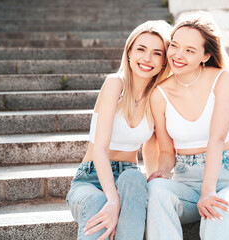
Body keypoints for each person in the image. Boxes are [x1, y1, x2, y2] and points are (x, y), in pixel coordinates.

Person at [146, 12, 229, 240]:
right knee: (156, 190)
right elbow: (167, 151)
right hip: (184, 181)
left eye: (190, 50)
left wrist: (208, 192)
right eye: (174, 46)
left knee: (218, 212)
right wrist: (162, 172)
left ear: (205, 55)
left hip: (225, 178)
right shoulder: (159, 94)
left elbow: (216, 138)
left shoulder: (221, 78)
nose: (178, 55)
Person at [66, 20, 171, 240]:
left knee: (133, 177)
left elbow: (152, 149)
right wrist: (113, 201)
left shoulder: (157, 98)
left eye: (156, 53)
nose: (147, 58)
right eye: (141, 49)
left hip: (129, 180)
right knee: (98, 202)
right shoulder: (115, 84)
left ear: (163, 62)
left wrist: (154, 186)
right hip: (92, 177)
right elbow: (100, 149)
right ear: (129, 52)